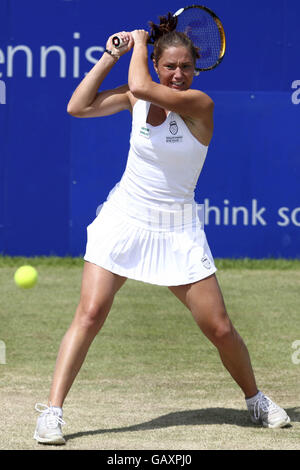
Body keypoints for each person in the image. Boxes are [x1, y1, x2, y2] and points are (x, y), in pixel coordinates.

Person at [34, 15, 290, 445]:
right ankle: (52, 413)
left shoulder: (200, 104)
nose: (178, 74)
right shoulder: (137, 97)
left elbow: (142, 87)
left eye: (185, 67)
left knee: (220, 329)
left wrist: (137, 42)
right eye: (169, 66)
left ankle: (256, 399)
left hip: (177, 228)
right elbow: (77, 106)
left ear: (195, 69)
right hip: (124, 219)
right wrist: (110, 55)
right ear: (157, 65)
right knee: (91, 314)